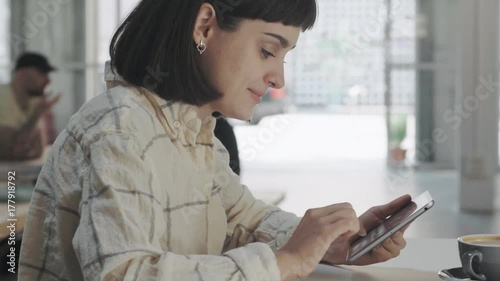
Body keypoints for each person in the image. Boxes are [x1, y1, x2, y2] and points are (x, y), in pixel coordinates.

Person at [18, 1, 411, 280]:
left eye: (283, 59)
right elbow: (124, 273)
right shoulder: (119, 127)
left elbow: (244, 220)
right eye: (267, 51)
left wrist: (332, 243)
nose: (279, 79)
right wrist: (284, 262)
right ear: (204, 26)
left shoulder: (193, 132)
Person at [0, 52, 60, 161]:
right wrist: (36, 115)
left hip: (15, 172)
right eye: (42, 73)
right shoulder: (2, 97)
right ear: (22, 75)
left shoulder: (34, 102)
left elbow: (38, 150)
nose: (48, 80)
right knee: (11, 178)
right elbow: (13, 150)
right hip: (8, 175)